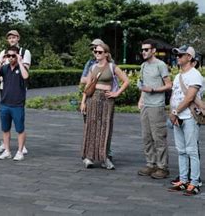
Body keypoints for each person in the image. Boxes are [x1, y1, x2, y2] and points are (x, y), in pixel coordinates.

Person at [80, 43, 129, 170]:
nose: (97, 54)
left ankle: (104, 157)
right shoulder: (93, 67)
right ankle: (88, 157)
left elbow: (126, 81)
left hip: (107, 100)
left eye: (100, 52)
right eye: (96, 52)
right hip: (93, 98)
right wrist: (83, 102)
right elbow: (88, 86)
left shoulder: (112, 67)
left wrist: (116, 93)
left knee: (105, 127)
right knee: (91, 126)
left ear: (106, 54)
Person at [167, 46, 203, 196]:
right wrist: (172, 112)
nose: (178, 57)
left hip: (189, 117)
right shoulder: (178, 76)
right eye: (177, 55)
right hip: (178, 117)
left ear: (190, 57)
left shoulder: (195, 75)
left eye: (181, 55)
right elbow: (174, 95)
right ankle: (183, 180)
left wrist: (175, 112)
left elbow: (189, 97)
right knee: (181, 150)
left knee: (191, 151)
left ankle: (194, 183)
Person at [137, 39, 172, 179]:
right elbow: (142, 85)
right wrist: (141, 99)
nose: (144, 52)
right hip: (146, 105)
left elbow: (169, 85)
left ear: (153, 51)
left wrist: (153, 90)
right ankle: (151, 164)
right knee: (146, 136)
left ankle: (162, 167)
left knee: (158, 137)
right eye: (142, 50)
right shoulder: (143, 66)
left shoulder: (161, 65)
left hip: (157, 105)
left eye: (146, 49)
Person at [0, 30, 31, 154]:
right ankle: (5, 145)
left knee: (18, 119)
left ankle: (22, 146)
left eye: (14, 37)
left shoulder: (25, 52)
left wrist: (18, 61)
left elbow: (25, 72)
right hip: (5, 88)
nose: (12, 39)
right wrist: (4, 78)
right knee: (5, 120)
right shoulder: (3, 53)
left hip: (18, 89)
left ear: (18, 38)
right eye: (9, 37)